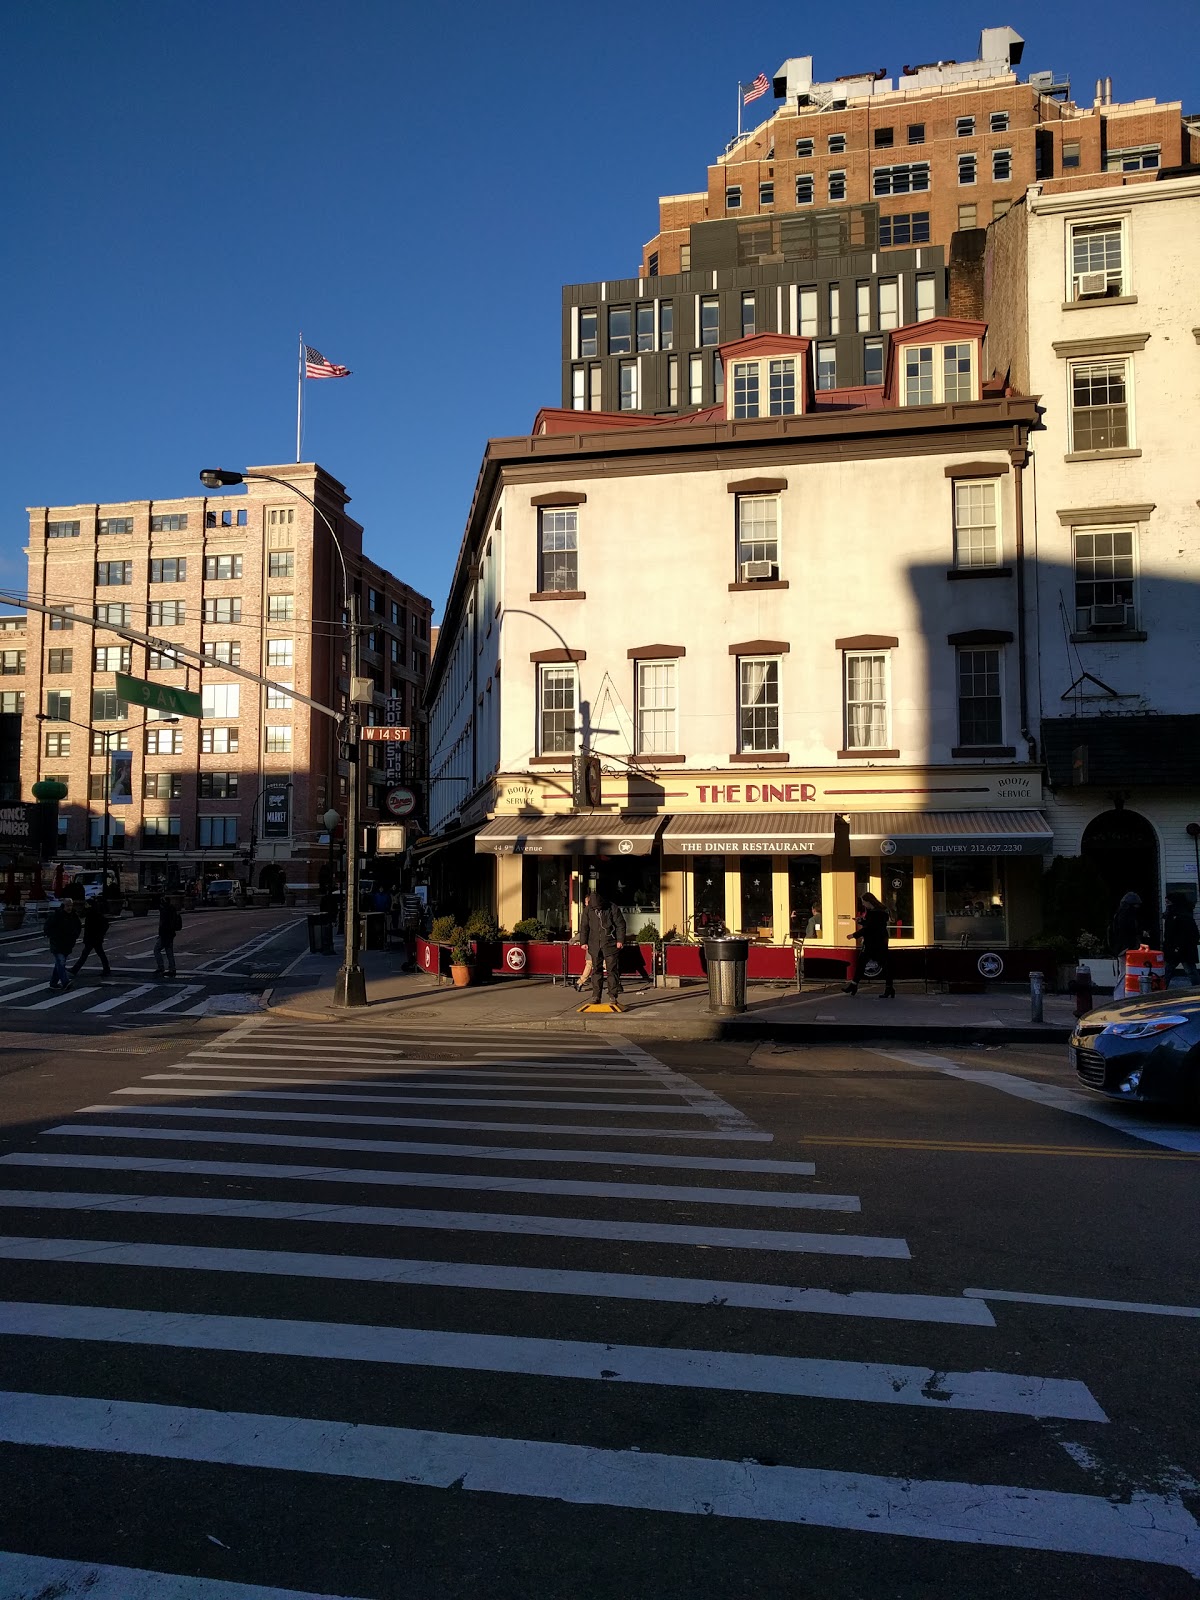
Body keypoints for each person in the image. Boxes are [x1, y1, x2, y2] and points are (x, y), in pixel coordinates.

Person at [576, 889, 626, 1005]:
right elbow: (584, 926)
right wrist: (583, 941)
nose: (597, 910)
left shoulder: (612, 907)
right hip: (594, 945)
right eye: (595, 908)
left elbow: (620, 924)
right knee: (596, 971)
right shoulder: (588, 909)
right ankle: (596, 996)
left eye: (598, 908)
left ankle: (613, 995)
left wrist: (620, 940)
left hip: (610, 944)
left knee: (612, 971)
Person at [844, 891, 895, 999]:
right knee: (883, 964)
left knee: (863, 963)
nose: (863, 904)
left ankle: (854, 985)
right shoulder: (881, 911)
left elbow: (869, 928)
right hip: (881, 941)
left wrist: (854, 935)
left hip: (873, 942)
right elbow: (874, 925)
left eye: (863, 902)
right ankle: (889, 987)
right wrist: (862, 921)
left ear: (868, 901)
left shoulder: (873, 913)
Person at [1110, 891, 1147, 989]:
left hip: (1122, 947)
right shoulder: (1127, 916)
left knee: (1123, 971)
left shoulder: (1119, 914)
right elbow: (1129, 931)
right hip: (1127, 947)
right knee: (1126, 971)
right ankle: (1122, 993)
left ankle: (1121, 992)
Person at [1162, 894, 1200, 987]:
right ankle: (1196, 989)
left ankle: (1161, 988)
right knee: (1190, 970)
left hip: (1179, 947)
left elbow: (1182, 933)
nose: (1167, 905)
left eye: (1168, 902)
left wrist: (1176, 946)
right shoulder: (1184, 914)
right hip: (1183, 948)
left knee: (1168, 971)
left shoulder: (1176, 915)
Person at [44, 899, 81, 991]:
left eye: (71, 906)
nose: (69, 908)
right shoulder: (57, 915)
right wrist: (54, 936)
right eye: (67, 906)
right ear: (63, 906)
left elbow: (78, 927)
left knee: (59, 964)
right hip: (57, 943)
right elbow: (48, 927)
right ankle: (65, 982)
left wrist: (74, 936)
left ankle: (53, 983)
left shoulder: (73, 916)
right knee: (61, 962)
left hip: (68, 943)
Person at [72, 898, 113, 978]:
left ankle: (75, 969)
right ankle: (106, 969)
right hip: (92, 938)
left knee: (88, 954)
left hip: (94, 938)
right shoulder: (90, 912)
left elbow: (105, 925)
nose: (85, 905)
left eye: (87, 904)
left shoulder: (95, 914)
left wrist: (100, 934)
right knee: (97, 954)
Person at [153, 897, 183, 978]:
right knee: (169, 951)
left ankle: (161, 967)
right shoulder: (171, 909)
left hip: (165, 934)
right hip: (170, 934)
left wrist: (161, 934)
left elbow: (164, 924)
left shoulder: (165, 911)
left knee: (157, 949)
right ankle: (172, 968)